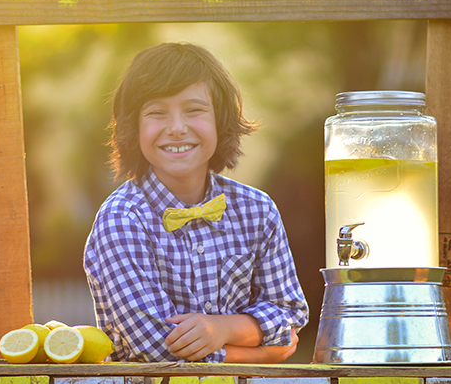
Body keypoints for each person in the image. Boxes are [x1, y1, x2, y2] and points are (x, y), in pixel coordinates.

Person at [83, 42, 309, 363]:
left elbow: (289, 313)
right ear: (134, 127)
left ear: (221, 120)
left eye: (194, 110)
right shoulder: (121, 219)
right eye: (157, 113)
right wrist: (261, 353)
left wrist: (223, 328)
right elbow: (155, 346)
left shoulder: (257, 210)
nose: (177, 128)